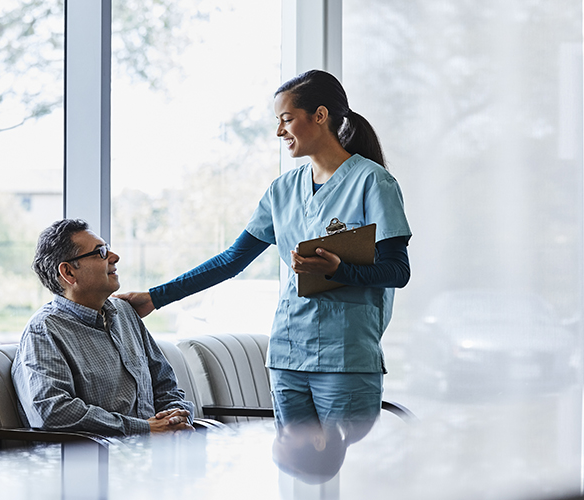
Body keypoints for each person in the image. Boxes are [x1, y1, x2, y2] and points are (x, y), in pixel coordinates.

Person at [116, 69, 411, 443]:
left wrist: (342, 269)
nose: (279, 132)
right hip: (287, 356)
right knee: (297, 471)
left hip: (346, 360)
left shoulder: (373, 182)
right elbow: (231, 261)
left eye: (286, 119)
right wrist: (154, 298)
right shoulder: (282, 190)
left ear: (319, 116)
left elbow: (397, 270)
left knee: (347, 474)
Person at [12, 218, 195, 437]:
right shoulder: (45, 330)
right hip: (94, 462)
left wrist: (174, 420)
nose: (115, 257)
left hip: (155, 455)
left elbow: (165, 384)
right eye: (101, 252)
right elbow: (52, 411)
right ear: (69, 272)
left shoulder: (125, 312)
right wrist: (144, 429)